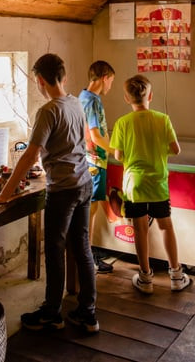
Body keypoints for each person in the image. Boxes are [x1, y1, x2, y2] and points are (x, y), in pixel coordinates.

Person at [0, 53, 98, 333]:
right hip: (83, 183)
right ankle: (88, 313)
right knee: (82, 248)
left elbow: (30, 154)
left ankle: (51, 313)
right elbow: (73, 143)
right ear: (63, 77)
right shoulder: (76, 103)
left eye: (36, 81)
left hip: (63, 190)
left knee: (55, 250)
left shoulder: (48, 111)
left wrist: (4, 195)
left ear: (41, 80)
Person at [109, 74, 191, 294]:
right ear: (151, 96)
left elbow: (118, 155)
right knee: (166, 226)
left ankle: (145, 278)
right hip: (157, 184)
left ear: (127, 98)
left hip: (133, 186)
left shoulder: (122, 123)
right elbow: (176, 149)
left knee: (140, 229)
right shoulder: (162, 119)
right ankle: (176, 274)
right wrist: (157, 150)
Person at [78, 60, 116, 274]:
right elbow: (95, 134)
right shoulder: (93, 101)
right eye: (111, 81)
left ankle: (87, 253)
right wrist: (114, 150)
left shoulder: (82, 96)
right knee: (90, 210)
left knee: (90, 210)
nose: (110, 85)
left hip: (88, 158)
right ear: (104, 78)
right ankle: (88, 257)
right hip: (95, 160)